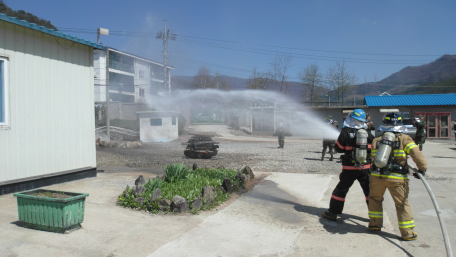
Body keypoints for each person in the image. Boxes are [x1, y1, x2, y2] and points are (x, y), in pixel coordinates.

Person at [368, 113, 427, 241]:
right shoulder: (405, 139)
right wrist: (422, 169)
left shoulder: (377, 140)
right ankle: (407, 233)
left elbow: (373, 157)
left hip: (377, 177)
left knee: (374, 200)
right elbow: (417, 154)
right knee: (402, 204)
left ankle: (374, 224)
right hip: (397, 178)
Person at [322, 109, 374, 221]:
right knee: (369, 191)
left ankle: (332, 213)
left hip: (350, 167)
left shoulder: (346, 132)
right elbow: (373, 148)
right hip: (365, 167)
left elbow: (339, 149)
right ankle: (375, 217)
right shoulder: (367, 132)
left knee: (341, 190)